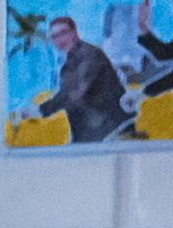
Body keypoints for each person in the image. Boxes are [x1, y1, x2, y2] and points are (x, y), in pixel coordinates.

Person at [38, 15, 133, 146]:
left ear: (74, 32)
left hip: (112, 131)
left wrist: (40, 110)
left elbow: (74, 94)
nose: (60, 39)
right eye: (55, 36)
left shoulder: (89, 55)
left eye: (63, 33)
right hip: (91, 133)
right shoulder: (69, 62)